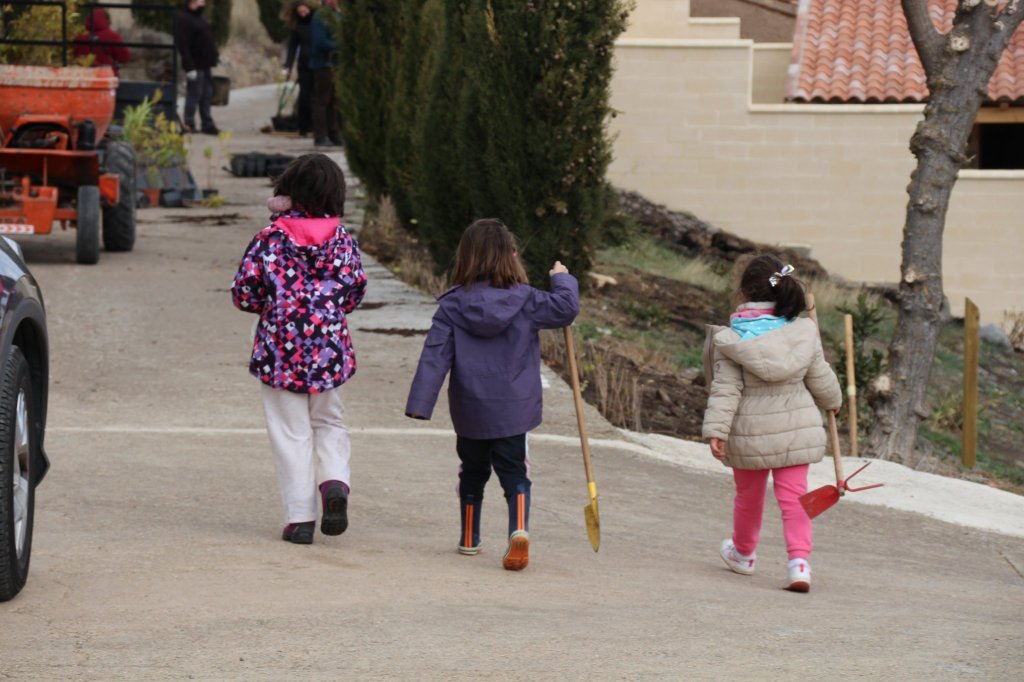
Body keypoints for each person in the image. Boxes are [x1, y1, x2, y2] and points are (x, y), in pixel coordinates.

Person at [405, 219, 580, 571]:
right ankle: (519, 530)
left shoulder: (453, 306)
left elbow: (434, 356)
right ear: (512, 256)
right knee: (515, 471)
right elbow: (566, 308)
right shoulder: (527, 300)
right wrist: (562, 278)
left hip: (470, 408)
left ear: (466, 257)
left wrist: (420, 404)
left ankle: (469, 538)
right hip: (514, 409)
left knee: (472, 470)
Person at [231, 153, 367, 545]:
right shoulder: (343, 241)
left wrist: (276, 307)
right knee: (330, 421)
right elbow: (354, 291)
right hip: (328, 348)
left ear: (288, 191)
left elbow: (244, 293)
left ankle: (301, 519)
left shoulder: (269, 239)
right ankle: (334, 482)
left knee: (290, 431)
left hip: (280, 348)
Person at [702, 254, 842, 593]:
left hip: (749, 433)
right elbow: (820, 376)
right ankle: (799, 564)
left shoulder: (732, 340)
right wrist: (833, 401)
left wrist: (717, 430)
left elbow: (725, 389)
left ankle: (743, 554)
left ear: (743, 294)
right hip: (796, 430)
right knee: (794, 498)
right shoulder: (803, 332)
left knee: (748, 497)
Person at [175, 0, 220, 135]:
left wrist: (215, 56)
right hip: (195, 65)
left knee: (206, 95)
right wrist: (189, 67)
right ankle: (189, 123)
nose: (203, 4)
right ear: (191, 3)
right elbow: (183, 45)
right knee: (194, 95)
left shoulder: (200, 18)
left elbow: (207, 39)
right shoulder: (184, 19)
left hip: (206, 65)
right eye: (200, 1)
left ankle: (207, 124)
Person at [308, 0, 341, 147]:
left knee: (334, 101)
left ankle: (334, 134)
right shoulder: (320, 17)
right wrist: (340, 45)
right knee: (322, 100)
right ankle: (320, 136)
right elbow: (320, 42)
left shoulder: (337, 15)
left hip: (336, 64)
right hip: (323, 64)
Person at [281, 1, 315, 137]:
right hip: (304, 65)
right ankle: (303, 128)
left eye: (305, 11)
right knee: (304, 96)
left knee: (317, 97)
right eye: (300, 13)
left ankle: (315, 126)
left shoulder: (316, 22)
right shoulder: (297, 26)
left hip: (317, 64)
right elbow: (292, 47)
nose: (303, 14)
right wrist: (288, 66)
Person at [72, 8, 131, 75]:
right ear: (106, 20)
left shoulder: (80, 37)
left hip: (85, 77)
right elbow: (124, 57)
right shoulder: (112, 36)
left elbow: (75, 57)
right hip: (107, 76)